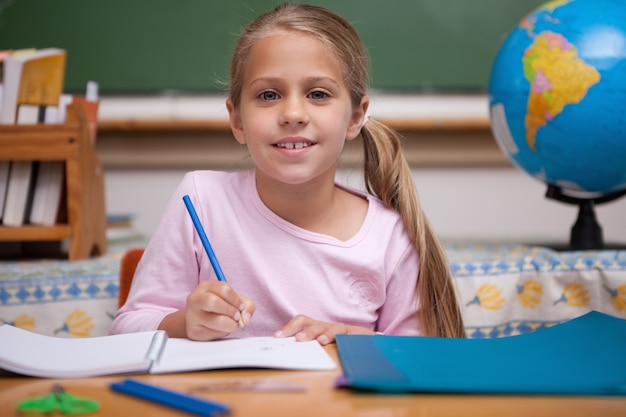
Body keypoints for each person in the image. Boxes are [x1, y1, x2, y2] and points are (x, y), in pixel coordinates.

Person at [110, 3, 465, 344]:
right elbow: (125, 328)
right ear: (237, 119)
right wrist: (183, 323)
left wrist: (350, 337)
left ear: (357, 116)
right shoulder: (201, 199)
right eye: (268, 94)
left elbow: (422, 359)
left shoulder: (389, 238)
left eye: (318, 93)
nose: (293, 113)